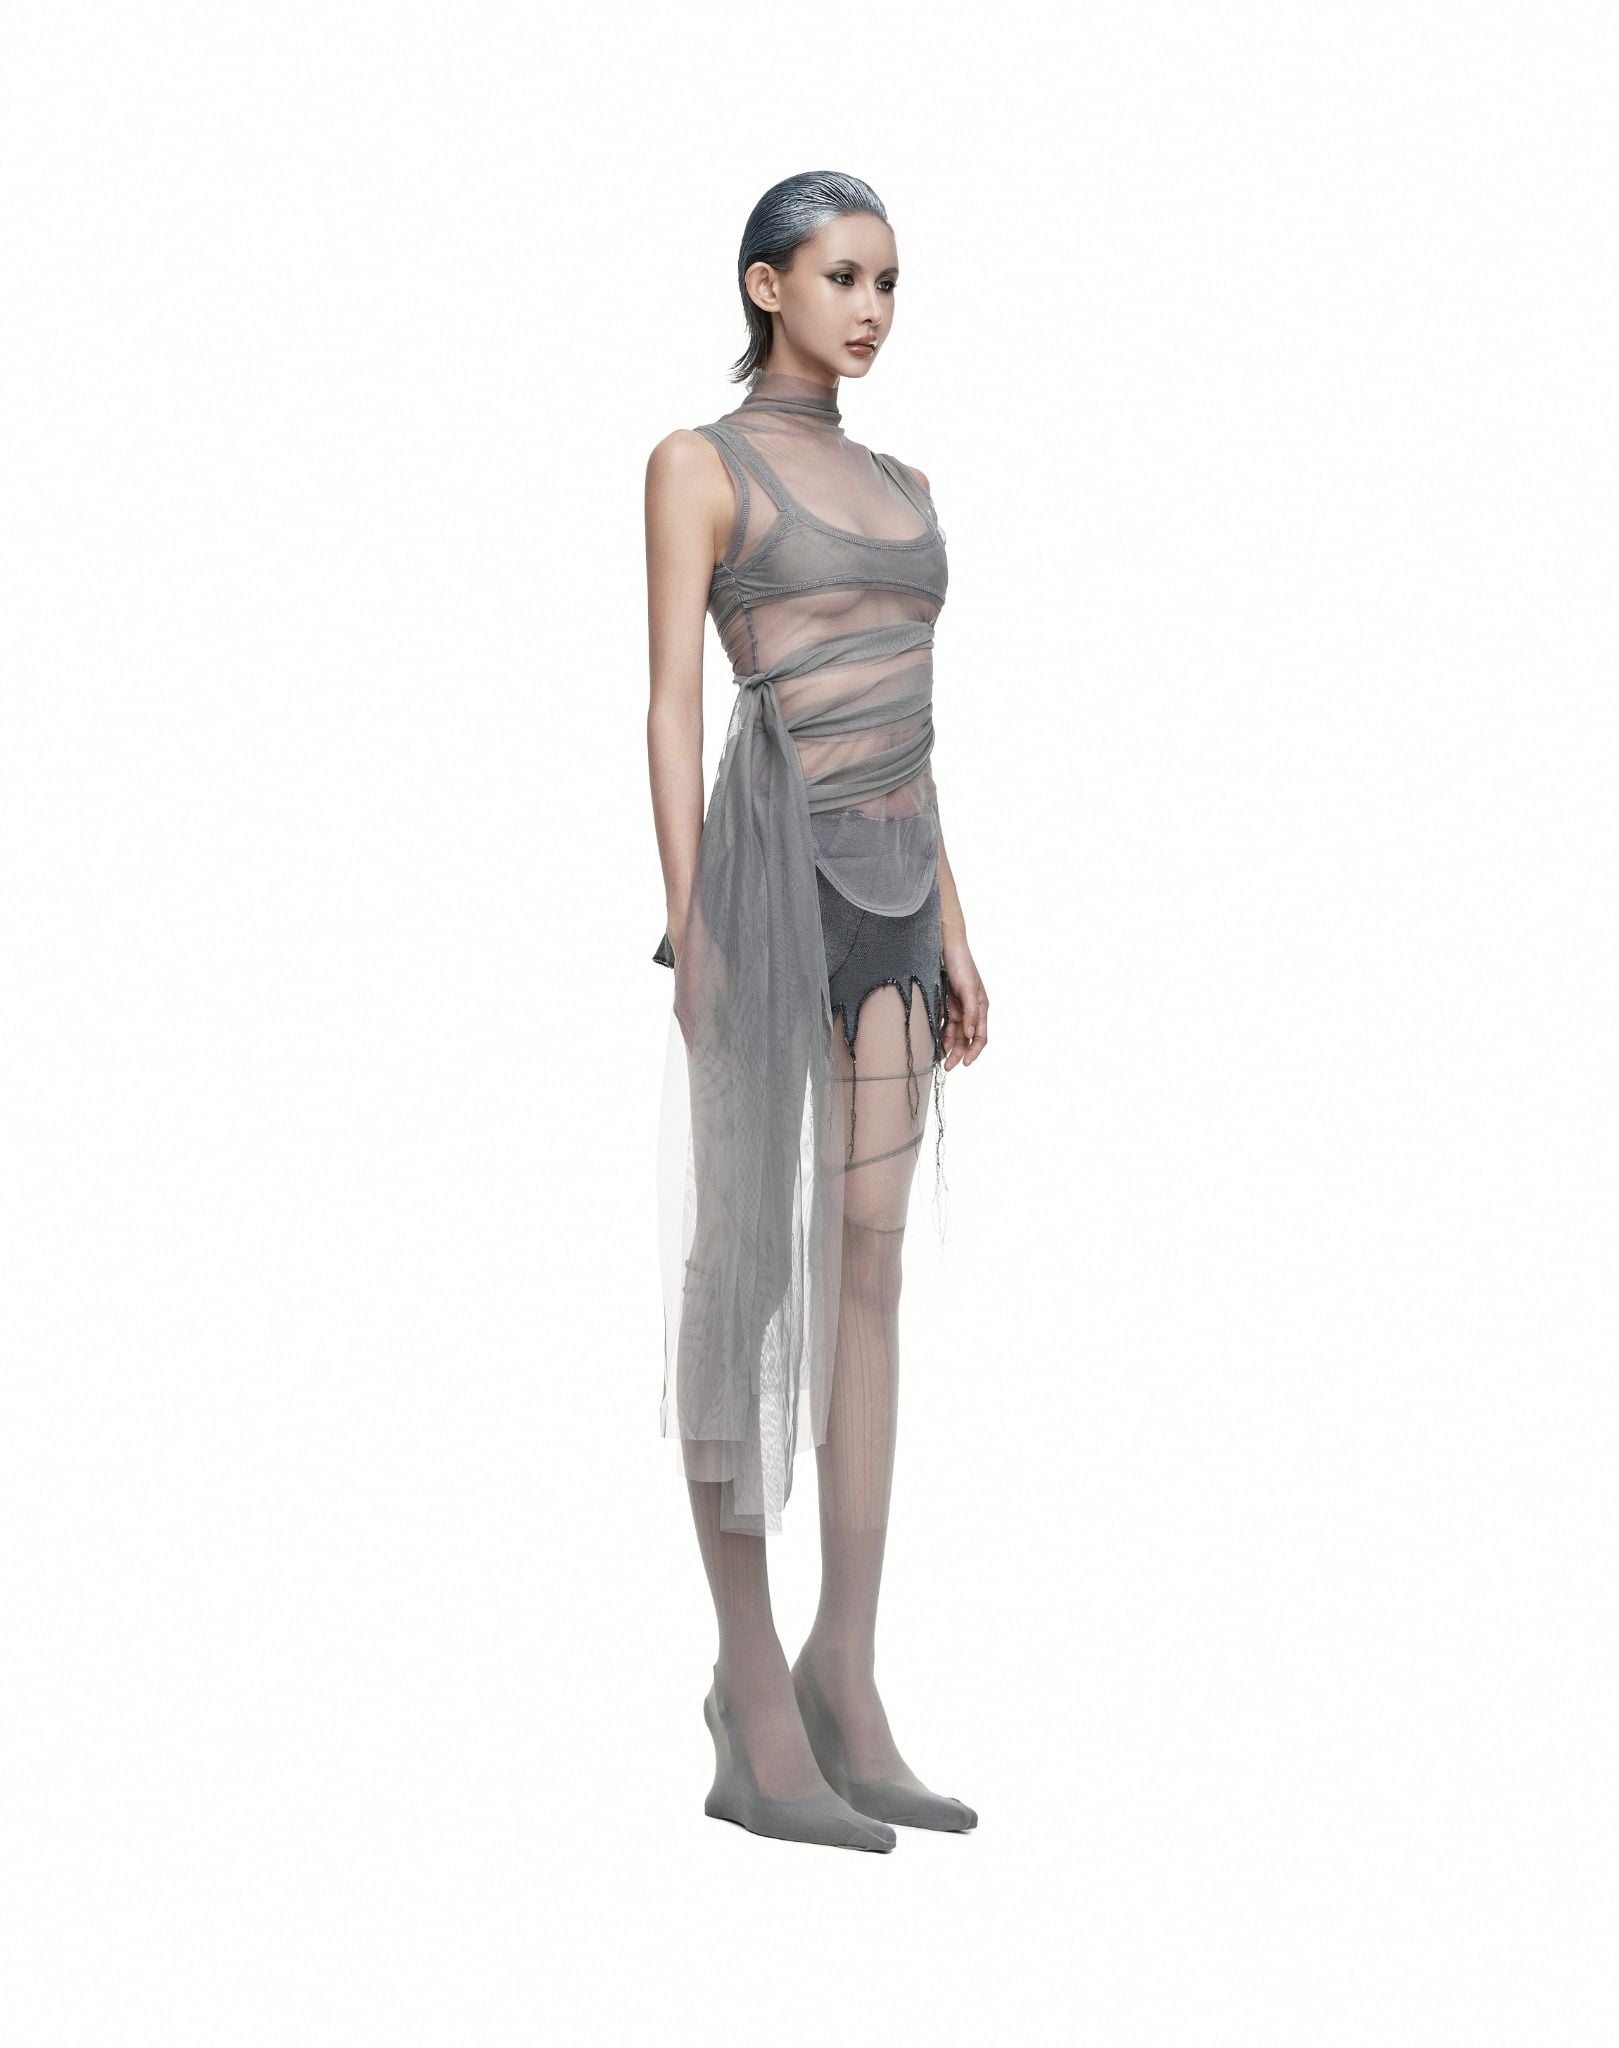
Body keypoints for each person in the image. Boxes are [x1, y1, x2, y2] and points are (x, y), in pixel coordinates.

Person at [645, 171, 989, 1851]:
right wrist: (688, 916)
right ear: (767, 284)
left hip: (896, 890)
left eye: (891, 281)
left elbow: (913, 723)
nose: (873, 307)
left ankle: (844, 1668)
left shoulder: (909, 486)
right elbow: (667, 698)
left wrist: (958, 925)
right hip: (767, 879)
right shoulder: (699, 463)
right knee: (745, 1263)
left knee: (869, 1260)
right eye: (844, 275)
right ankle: (748, 1685)